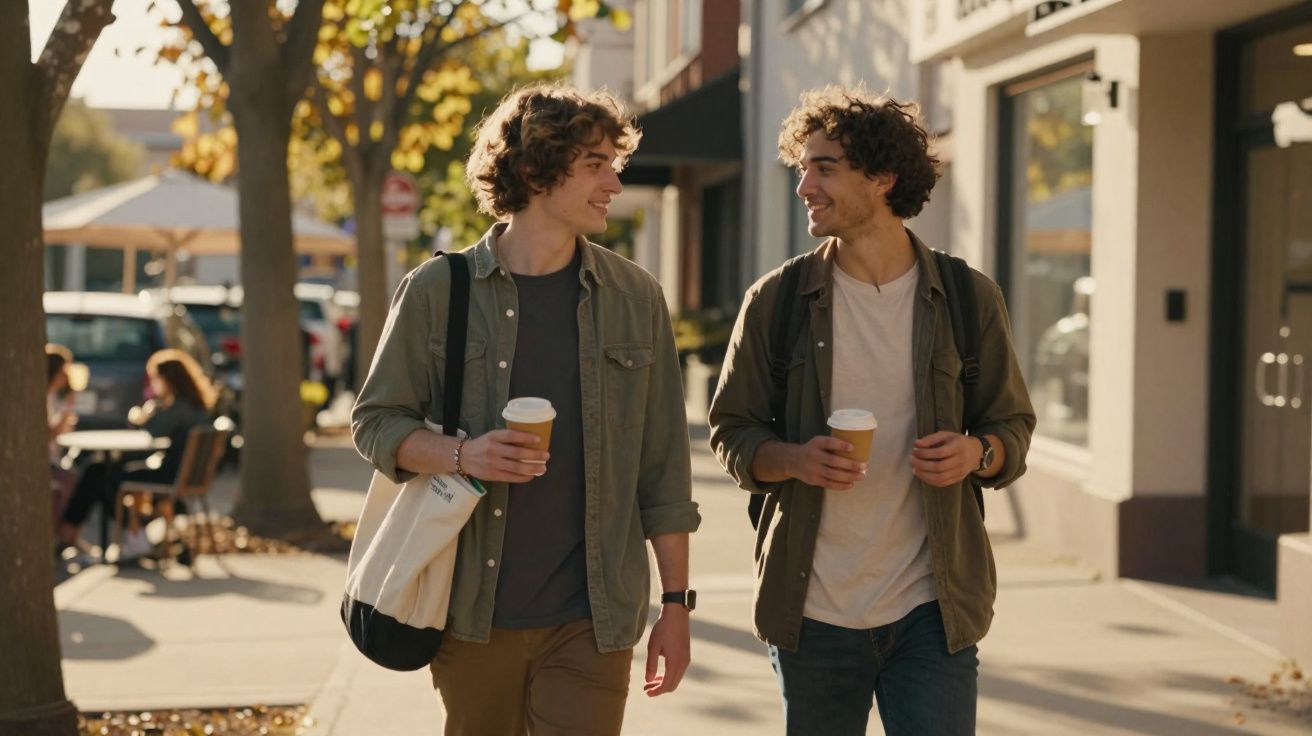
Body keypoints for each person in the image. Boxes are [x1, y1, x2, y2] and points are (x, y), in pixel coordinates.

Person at [352, 84, 701, 736]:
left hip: (592, 620)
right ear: (538, 168)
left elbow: (664, 472)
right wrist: (465, 454)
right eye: (596, 163)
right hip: (470, 617)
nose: (614, 183)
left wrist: (676, 605)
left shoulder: (634, 297)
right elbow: (376, 423)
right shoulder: (439, 291)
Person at [708, 86, 1036, 736]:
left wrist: (978, 453)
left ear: (883, 179)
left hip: (932, 611)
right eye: (802, 168)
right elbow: (732, 433)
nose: (804, 186)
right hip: (813, 611)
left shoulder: (968, 299)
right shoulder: (776, 302)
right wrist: (794, 459)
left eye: (823, 167)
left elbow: (1012, 430)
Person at [58, 349, 217, 557]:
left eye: (155, 379)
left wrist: (144, 414)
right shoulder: (194, 406)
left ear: (168, 380)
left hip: (170, 474)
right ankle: (124, 531)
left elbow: (151, 432)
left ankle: (133, 532)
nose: (153, 385)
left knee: (101, 475)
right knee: (99, 471)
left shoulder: (179, 408)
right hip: (179, 473)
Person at [46, 344, 80, 529]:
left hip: (53, 458)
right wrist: (67, 410)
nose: (66, 375)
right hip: (46, 461)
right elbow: (49, 434)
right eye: (63, 371)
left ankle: (67, 533)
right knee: (73, 480)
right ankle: (63, 532)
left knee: (77, 477)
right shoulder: (42, 397)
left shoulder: (52, 396)